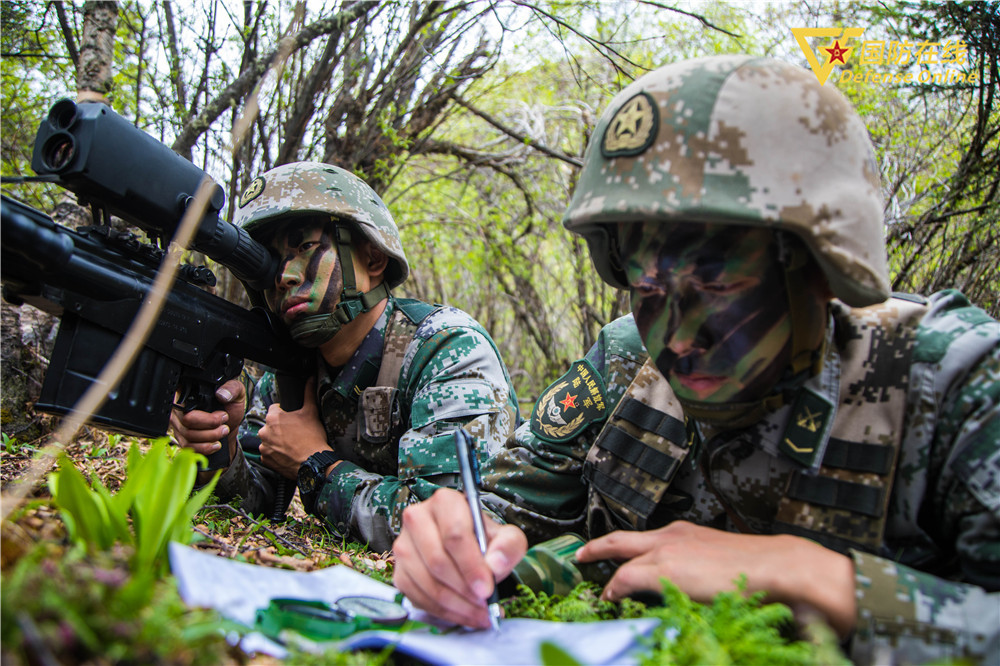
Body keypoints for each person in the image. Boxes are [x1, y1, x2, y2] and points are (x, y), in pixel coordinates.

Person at [391, 55, 1000, 664]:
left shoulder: (951, 384)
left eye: (717, 283)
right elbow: (505, 521)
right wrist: (457, 545)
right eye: (648, 289)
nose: (677, 339)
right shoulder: (627, 365)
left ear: (823, 266)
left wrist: (829, 581)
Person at [170, 162, 519, 553]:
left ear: (372, 259)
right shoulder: (290, 370)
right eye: (268, 261)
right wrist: (222, 446)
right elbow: (251, 506)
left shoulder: (446, 349)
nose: (284, 276)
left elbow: (453, 531)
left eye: (304, 248)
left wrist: (315, 463)